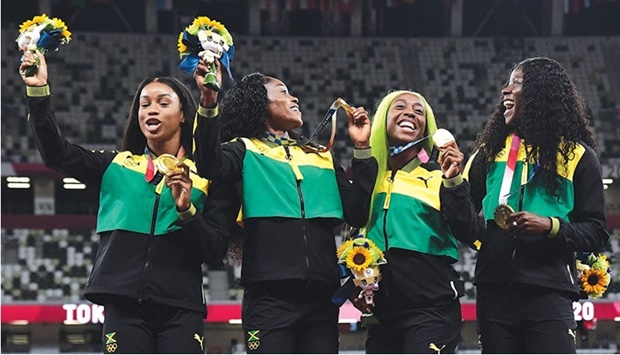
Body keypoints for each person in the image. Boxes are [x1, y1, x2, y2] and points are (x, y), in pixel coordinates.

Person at [19, 48, 229, 353]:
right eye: (144, 104)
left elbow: (215, 250)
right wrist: (38, 92)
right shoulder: (115, 166)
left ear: (184, 113)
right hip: (123, 305)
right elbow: (57, 153)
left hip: (182, 309)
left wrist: (187, 211)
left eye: (162, 102)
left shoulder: (206, 174)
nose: (150, 110)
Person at [192, 65, 378, 353]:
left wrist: (362, 149)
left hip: (322, 300)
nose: (295, 99)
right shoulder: (242, 150)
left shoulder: (320, 157)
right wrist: (207, 103)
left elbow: (357, 213)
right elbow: (209, 164)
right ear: (259, 103)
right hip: (269, 299)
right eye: (283, 92)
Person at [459, 56, 610, 353]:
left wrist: (550, 226)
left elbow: (597, 231)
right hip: (494, 291)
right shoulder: (487, 155)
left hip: (550, 293)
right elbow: (464, 223)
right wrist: (452, 183)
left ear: (541, 92)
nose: (505, 90)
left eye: (516, 83)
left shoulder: (577, 156)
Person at [359, 90, 479, 354]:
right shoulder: (371, 176)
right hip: (384, 315)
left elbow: (470, 231)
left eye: (418, 110)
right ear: (383, 120)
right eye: (399, 107)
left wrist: (454, 181)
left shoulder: (440, 174)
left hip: (432, 310)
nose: (410, 113)